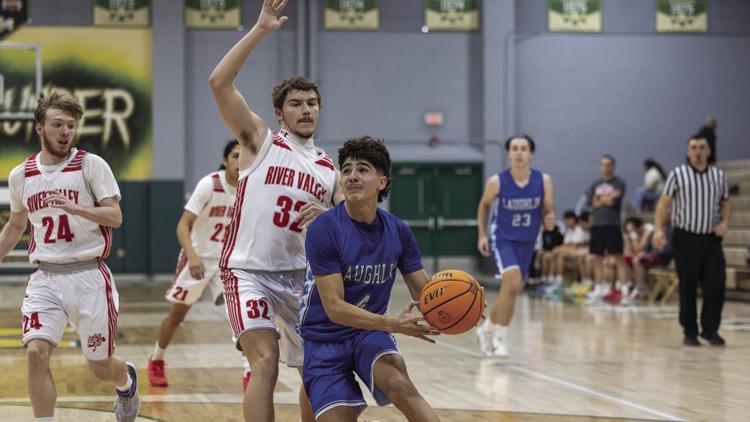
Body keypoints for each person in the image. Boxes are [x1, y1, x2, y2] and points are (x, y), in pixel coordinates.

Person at [208, 1, 343, 420]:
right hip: (247, 271)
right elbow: (219, 82)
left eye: (313, 103)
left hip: (302, 279)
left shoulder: (329, 168)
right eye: (297, 103)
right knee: (264, 361)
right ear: (280, 112)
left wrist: (331, 217)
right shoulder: (261, 141)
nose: (306, 109)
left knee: (314, 372)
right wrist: (260, 30)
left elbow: (349, 230)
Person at [0, 92, 139, 421]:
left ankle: (127, 381)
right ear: (40, 128)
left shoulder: (91, 165)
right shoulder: (22, 176)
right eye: (57, 124)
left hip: (89, 276)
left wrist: (75, 207)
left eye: (71, 126)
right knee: (35, 354)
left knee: (102, 369)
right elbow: (15, 226)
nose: (64, 132)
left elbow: (115, 217)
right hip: (45, 277)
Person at [299, 136, 441, 421]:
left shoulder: (398, 231)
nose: (352, 175)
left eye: (362, 169)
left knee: (399, 382)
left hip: (368, 333)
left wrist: (456, 302)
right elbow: (335, 308)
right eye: (347, 170)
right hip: (325, 338)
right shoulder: (324, 229)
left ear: (382, 182)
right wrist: (393, 324)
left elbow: (426, 294)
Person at [147, 140, 253, 388]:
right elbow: (183, 225)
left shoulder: (250, 189)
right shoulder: (209, 184)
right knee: (177, 314)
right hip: (198, 257)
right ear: (226, 160)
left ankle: (249, 371)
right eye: (236, 156)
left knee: (240, 316)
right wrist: (192, 256)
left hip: (228, 262)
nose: (240, 161)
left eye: (244, 157)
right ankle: (157, 359)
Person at [476, 135, 554, 357]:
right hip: (503, 239)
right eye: (515, 148)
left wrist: (550, 217)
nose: (519, 152)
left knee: (510, 290)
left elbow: (548, 208)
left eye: (523, 148)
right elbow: (483, 206)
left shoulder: (543, 180)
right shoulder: (497, 182)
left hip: (528, 240)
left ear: (531, 154)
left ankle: (487, 329)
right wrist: (482, 235)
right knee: (512, 285)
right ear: (508, 154)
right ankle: (499, 339)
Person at [653, 135, 731, 346]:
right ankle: (690, 330)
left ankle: (710, 330)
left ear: (708, 151)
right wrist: (659, 230)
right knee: (687, 287)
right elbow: (663, 204)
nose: (698, 151)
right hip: (685, 237)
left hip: (711, 239)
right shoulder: (677, 175)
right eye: (694, 147)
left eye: (702, 147)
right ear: (688, 151)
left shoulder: (719, 176)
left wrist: (725, 222)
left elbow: (726, 203)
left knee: (716, 284)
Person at [584, 155, 627, 304]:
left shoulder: (619, 183)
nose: (605, 167)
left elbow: (614, 202)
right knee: (597, 258)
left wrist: (600, 200)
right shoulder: (595, 184)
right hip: (597, 224)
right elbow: (592, 204)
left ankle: (624, 289)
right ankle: (600, 287)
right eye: (603, 164)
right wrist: (605, 200)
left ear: (613, 166)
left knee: (618, 257)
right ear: (600, 166)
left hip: (612, 224)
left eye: (608, 165)